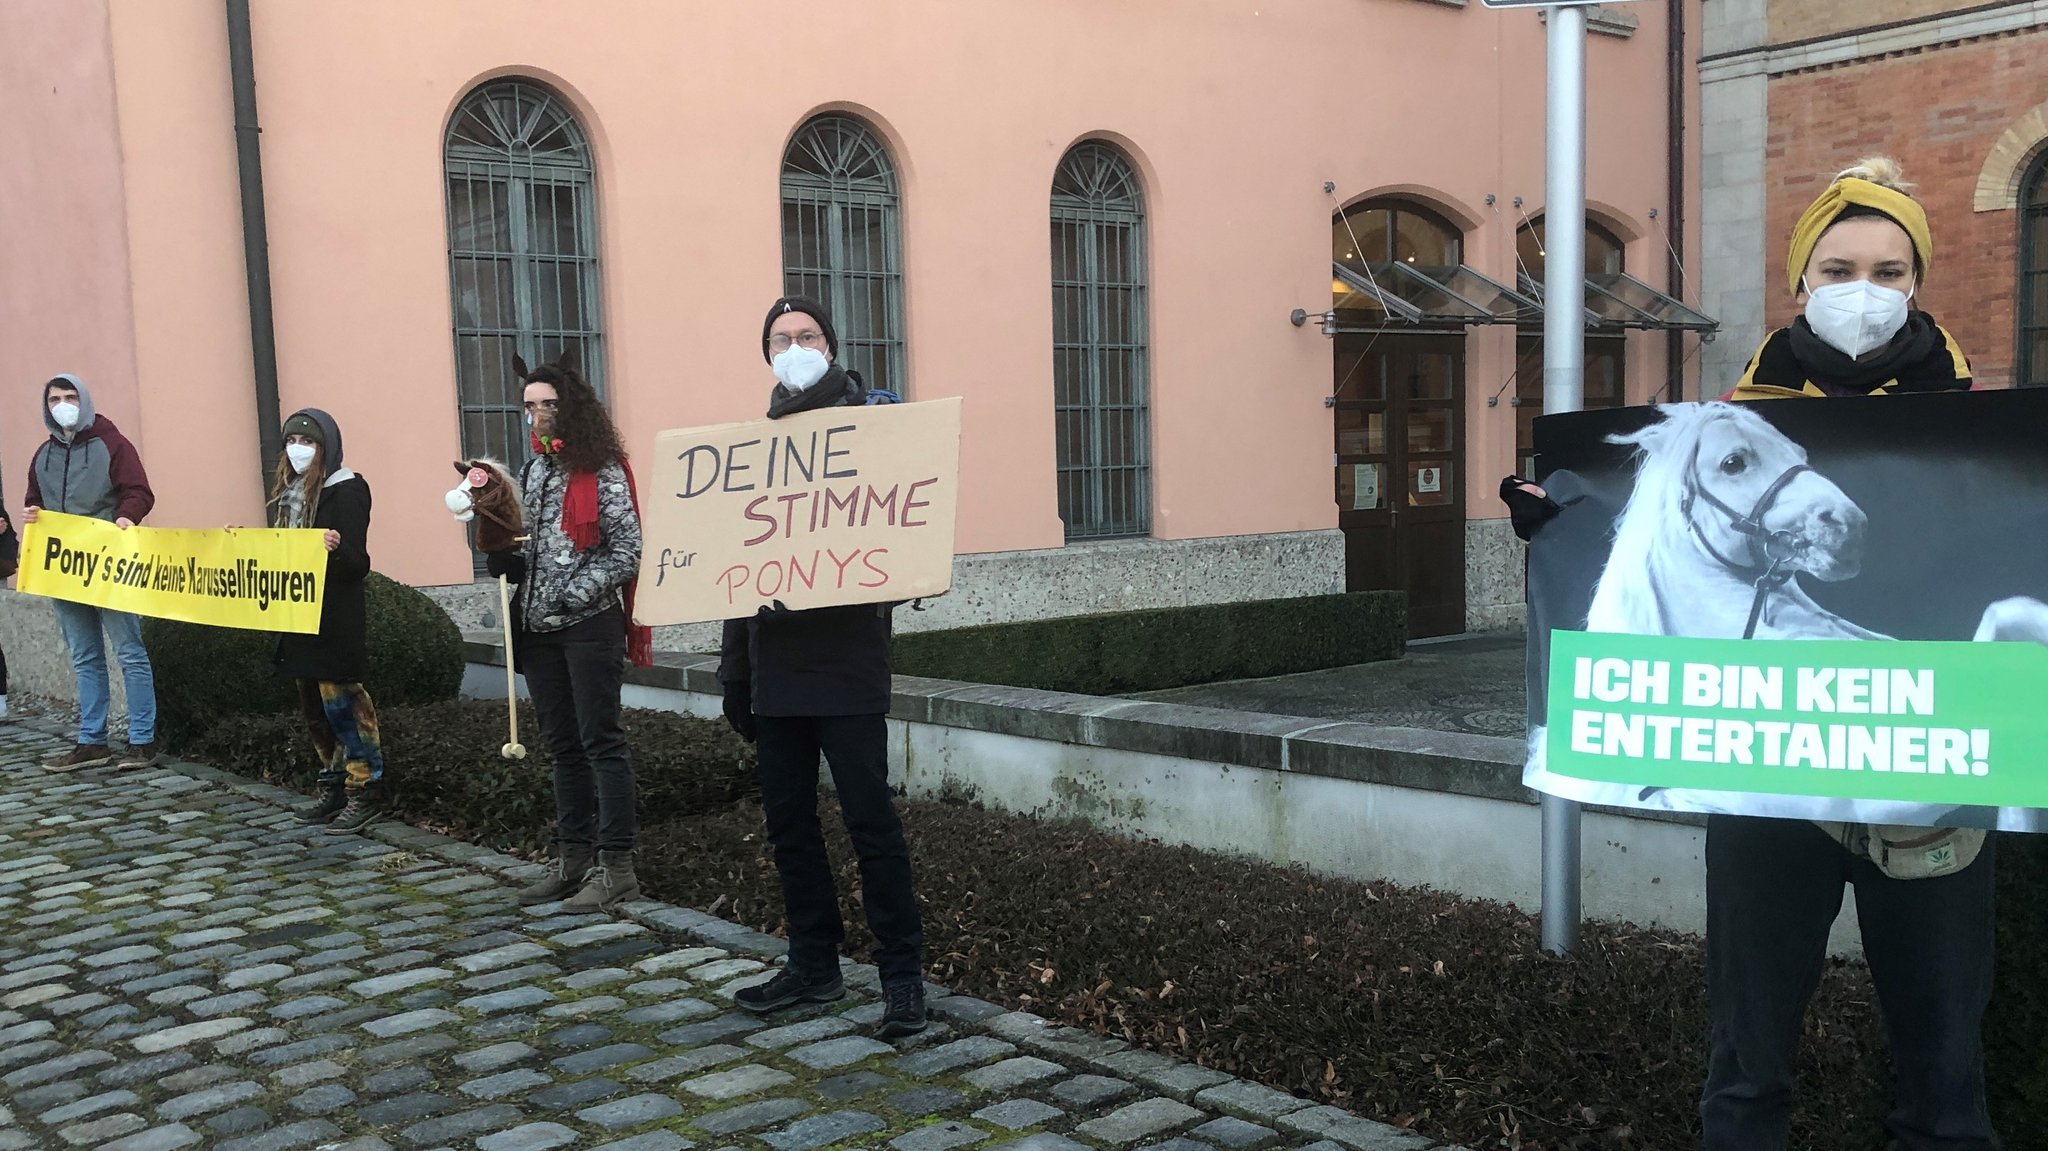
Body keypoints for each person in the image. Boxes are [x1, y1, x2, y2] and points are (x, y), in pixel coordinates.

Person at [1700, 159, 1994, 1151]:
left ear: (1916, 283)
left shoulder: (1988, 432)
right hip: (1768, 788)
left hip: (1932, 788)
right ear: (1798, 283)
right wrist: (1560, 521)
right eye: (1836, 266)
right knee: (1742, 1082)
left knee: (1944, 1090)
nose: (1860, 289)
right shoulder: (1728, 427)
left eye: (1886, 267)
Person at [720, 295, 929, 1039]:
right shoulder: (755, 447)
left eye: (807, 334)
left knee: (871, 823)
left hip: (846, 666)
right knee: (789, 825)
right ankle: (814, 962)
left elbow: (906, 544)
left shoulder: (875, 428)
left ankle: (902, 976)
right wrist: (734, 672)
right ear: (767, 354)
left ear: (832, 346)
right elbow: (733, 570)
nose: (795, 346)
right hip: (776, 670)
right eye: (780, 338)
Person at [491, 354, 650, 914]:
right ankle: (573, 857)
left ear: (571, 407)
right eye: (530, 406)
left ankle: (617, 866)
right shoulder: (533, 470)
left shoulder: (602, 468)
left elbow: (628, 549)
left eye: (548, 405)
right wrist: (509, 560)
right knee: (561, 748)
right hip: (538, 629)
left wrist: (571, 593)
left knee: (599, 742)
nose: (537, 416)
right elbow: (531, 542)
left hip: (587, 626)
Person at [247, 409, 385, 835]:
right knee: (313, 709)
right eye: (291, 441)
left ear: (326, 447)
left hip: (334, 618)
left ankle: (366, 788)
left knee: (343, 704)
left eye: (308, 443)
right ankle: (333, 784)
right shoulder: (290, 493)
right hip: (299, 615)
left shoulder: (347, 491)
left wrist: (334, 550)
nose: (298, 449)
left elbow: (357, 564)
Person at [25, 373, 158, 772]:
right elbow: (35, 500)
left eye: (70, 396)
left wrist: (125, 517)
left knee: (129, 651)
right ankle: (91, 740)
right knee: (85, 656)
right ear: (46, 407)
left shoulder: (113, 444)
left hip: (109, 564)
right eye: (54, 399)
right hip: (64, 569)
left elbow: (139, 492)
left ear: (84, 400)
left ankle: (142, 740)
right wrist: (32, 514)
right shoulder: (42, 455)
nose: (63, 404)